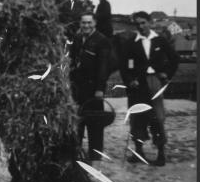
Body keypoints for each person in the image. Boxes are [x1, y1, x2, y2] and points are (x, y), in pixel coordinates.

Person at [122, 11, 180, 166]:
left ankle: (161, 154)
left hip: (155, 82)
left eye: (143, 23)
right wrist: (129, 80)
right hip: (137, 85)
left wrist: (166, 74)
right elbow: (124, 67)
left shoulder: (160, 40)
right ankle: (138, 152)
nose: (141, 26)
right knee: (137, 117)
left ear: (150, 23)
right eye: (138, 24)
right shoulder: (131, 43)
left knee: (157, 117)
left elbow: (175, 59)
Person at [69, 12, 111, 161]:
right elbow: (72, 60)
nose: (86, 25)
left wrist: (100, 89)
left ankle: (95, 156)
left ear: (95, 23)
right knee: (77, 121)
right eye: (83, 23)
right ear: (80, 24)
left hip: (93, 89)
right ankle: (77, 153)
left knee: (95, 123)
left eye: (89, 23)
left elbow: (103, 67)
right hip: (77, 88)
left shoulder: (102, 41)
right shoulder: (78, 38)